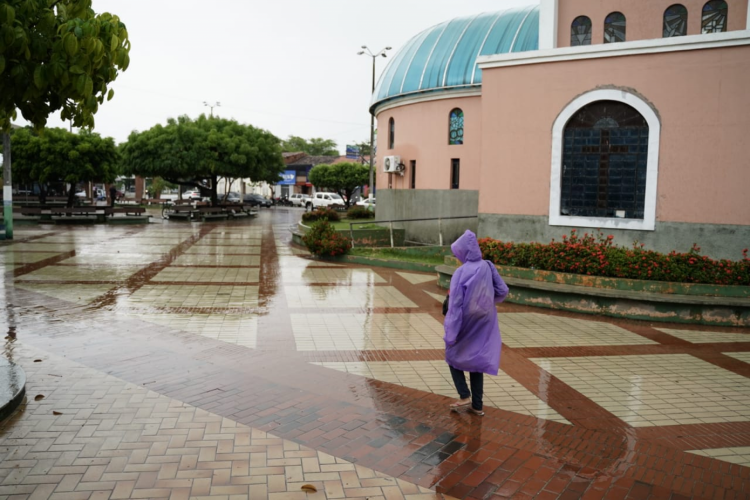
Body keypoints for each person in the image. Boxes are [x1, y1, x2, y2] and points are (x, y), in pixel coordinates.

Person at [443, 229, 509, 416]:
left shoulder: (461, 272)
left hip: (466, 320)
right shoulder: (488, 266)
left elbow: (455, 306)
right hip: (486, 319)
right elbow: (502, 290)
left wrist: (451, 333)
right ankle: (477, 406)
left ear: (462, 251)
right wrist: (487, 302)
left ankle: (464, 395)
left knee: (452, 355)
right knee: (477, 360)